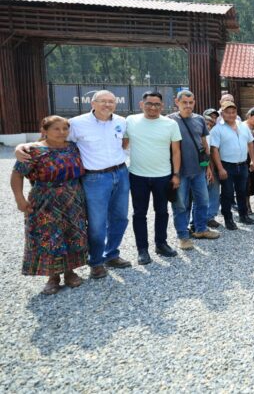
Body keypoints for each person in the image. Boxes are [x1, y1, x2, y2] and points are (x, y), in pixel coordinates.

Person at [16, 89, 132, 278]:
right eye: (102, 101)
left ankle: (112, 254)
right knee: (97, 223)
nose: (107, 105)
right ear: (92, 103)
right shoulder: (77, 123)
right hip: (95, 178)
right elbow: (53, 140)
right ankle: (96, 262)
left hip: (120, 173)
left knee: (120, 218)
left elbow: (124, 143)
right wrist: (22, 146)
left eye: (111, 101)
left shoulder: (121, 121)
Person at [11, 116, 88, 295]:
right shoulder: (33, 151)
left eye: (65, 128)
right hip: (44, 200)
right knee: (49, 236)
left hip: (73, 198)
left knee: (72, 234)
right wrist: (19, 199)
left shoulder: (73, 148)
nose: (62, 132)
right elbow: (17, 175)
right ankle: (52, 277)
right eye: (56, 129)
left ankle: (70, 272)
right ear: (44, 131)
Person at [124, 91, 182, 264]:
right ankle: (142, 250)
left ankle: (161, 244)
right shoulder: (130, 121)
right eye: (149, 103)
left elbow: (176, 151)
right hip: (138, 176)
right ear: (141, 104)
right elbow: (122, 144)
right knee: (139, 213)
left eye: (157, 104)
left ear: (162, 106)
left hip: (163, 176)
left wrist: (176, 174)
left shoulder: (170, 124)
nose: (153, 107)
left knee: (162, 211)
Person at [168, 90, 220, 248]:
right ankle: (183, 236)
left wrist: (207, 167)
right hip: (180, 172)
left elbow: (203, 145)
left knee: (203, 201)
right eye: (184, 102)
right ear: (177, 102)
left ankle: (200, 229)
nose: (188, 105)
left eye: (191, 102)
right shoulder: (169, 121)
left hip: (198, 170)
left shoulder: (199, 119)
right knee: (180, 205)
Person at [210, 101, 254, 230]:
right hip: (227, 166)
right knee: (228, 194)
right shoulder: (217, 129)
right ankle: (228, 219)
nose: (231, 115)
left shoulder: (243, 126)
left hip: (242, 165)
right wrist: (220, 168)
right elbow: (214, 150)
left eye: (233, 112)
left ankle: (243, 215)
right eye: (228, 112)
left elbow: (250, 143)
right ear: (222, 114)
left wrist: (253, 160)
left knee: (242, 191)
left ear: (236, 113)